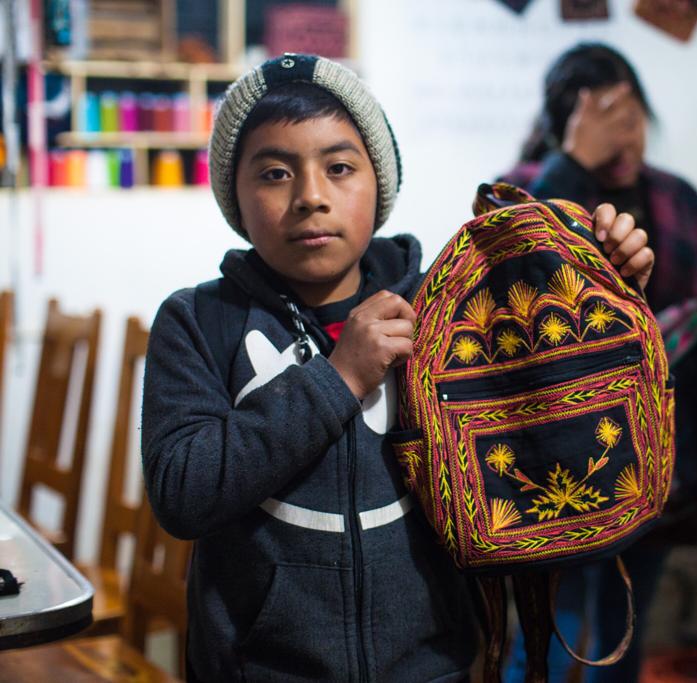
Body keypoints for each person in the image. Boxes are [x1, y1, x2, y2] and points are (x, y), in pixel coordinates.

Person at [140, 54, 655, 683]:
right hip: (260, 671)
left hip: (430, 666)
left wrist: (606, 290)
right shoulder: (198, 321)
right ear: (235, 196)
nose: (310, 196)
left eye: (339, 168)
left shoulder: (442, 308)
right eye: (275, 172)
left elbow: (549, 409)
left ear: (377, 185)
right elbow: (182, 493)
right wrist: (340, 378)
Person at [500, 42, 697, 682]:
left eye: (632, 116)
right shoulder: (526, 191)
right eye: (604, 119)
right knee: (542, 637)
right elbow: (508, 296)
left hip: (649, 463)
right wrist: (573, 162)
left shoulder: (678, 201)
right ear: (568, 124)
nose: (624, 136)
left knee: (623, 636)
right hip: (546, 461)